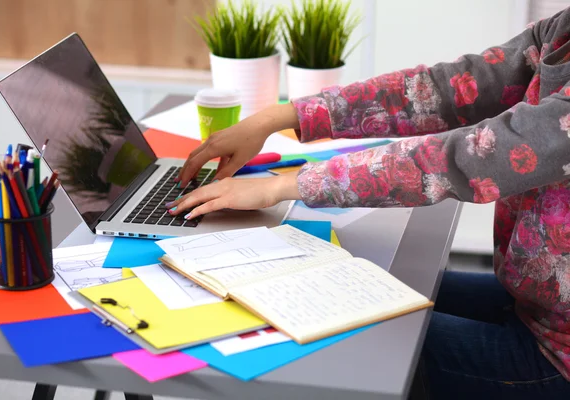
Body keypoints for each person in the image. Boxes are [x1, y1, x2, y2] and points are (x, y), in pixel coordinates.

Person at [167, 7, 570, 399]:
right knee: (333, 285)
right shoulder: (562, 30)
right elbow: (447, 89)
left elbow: (475, 156)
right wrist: (274, 119)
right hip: (534, 305)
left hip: (556, 357)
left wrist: (285, 186)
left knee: (335, 335)